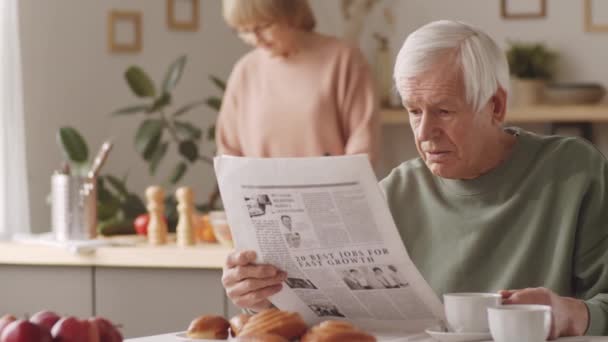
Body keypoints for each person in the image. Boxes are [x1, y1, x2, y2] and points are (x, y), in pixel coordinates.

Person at [221, 20, 608, 338]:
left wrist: (572, 314)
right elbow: (334, 322)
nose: (424, 132)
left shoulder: (573, 171)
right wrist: (262, 298)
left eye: (443, 111)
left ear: (495, 106)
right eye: (413, 111)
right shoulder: (395, 192)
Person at [217, 0, 380, 165]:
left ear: (291, 14)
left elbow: (362, 143)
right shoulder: (245, 70)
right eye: (243, 30)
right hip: (259, 190)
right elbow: (228, 152)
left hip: (330, 189)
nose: (254, 39)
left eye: (264, 26)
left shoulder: (344, 60)